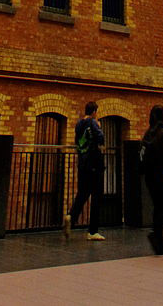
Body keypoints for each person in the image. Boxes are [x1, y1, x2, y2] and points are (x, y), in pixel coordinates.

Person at [64, 102, 105, 241]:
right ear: (94, 111)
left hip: (82, 163)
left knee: (82, 192)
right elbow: (101, 138)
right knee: (97, 195)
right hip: (94, 163)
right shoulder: (93, 122)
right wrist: (99, 127)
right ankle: (93, 231)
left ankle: (71, 216)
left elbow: (78, 142)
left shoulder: (78, 124)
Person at [140, 105, 163, 255]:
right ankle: (156, 234)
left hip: (148, 175)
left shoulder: (148, 133)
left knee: (158, 206)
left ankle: (159, 242)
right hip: (159, 174)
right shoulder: (162, 132)